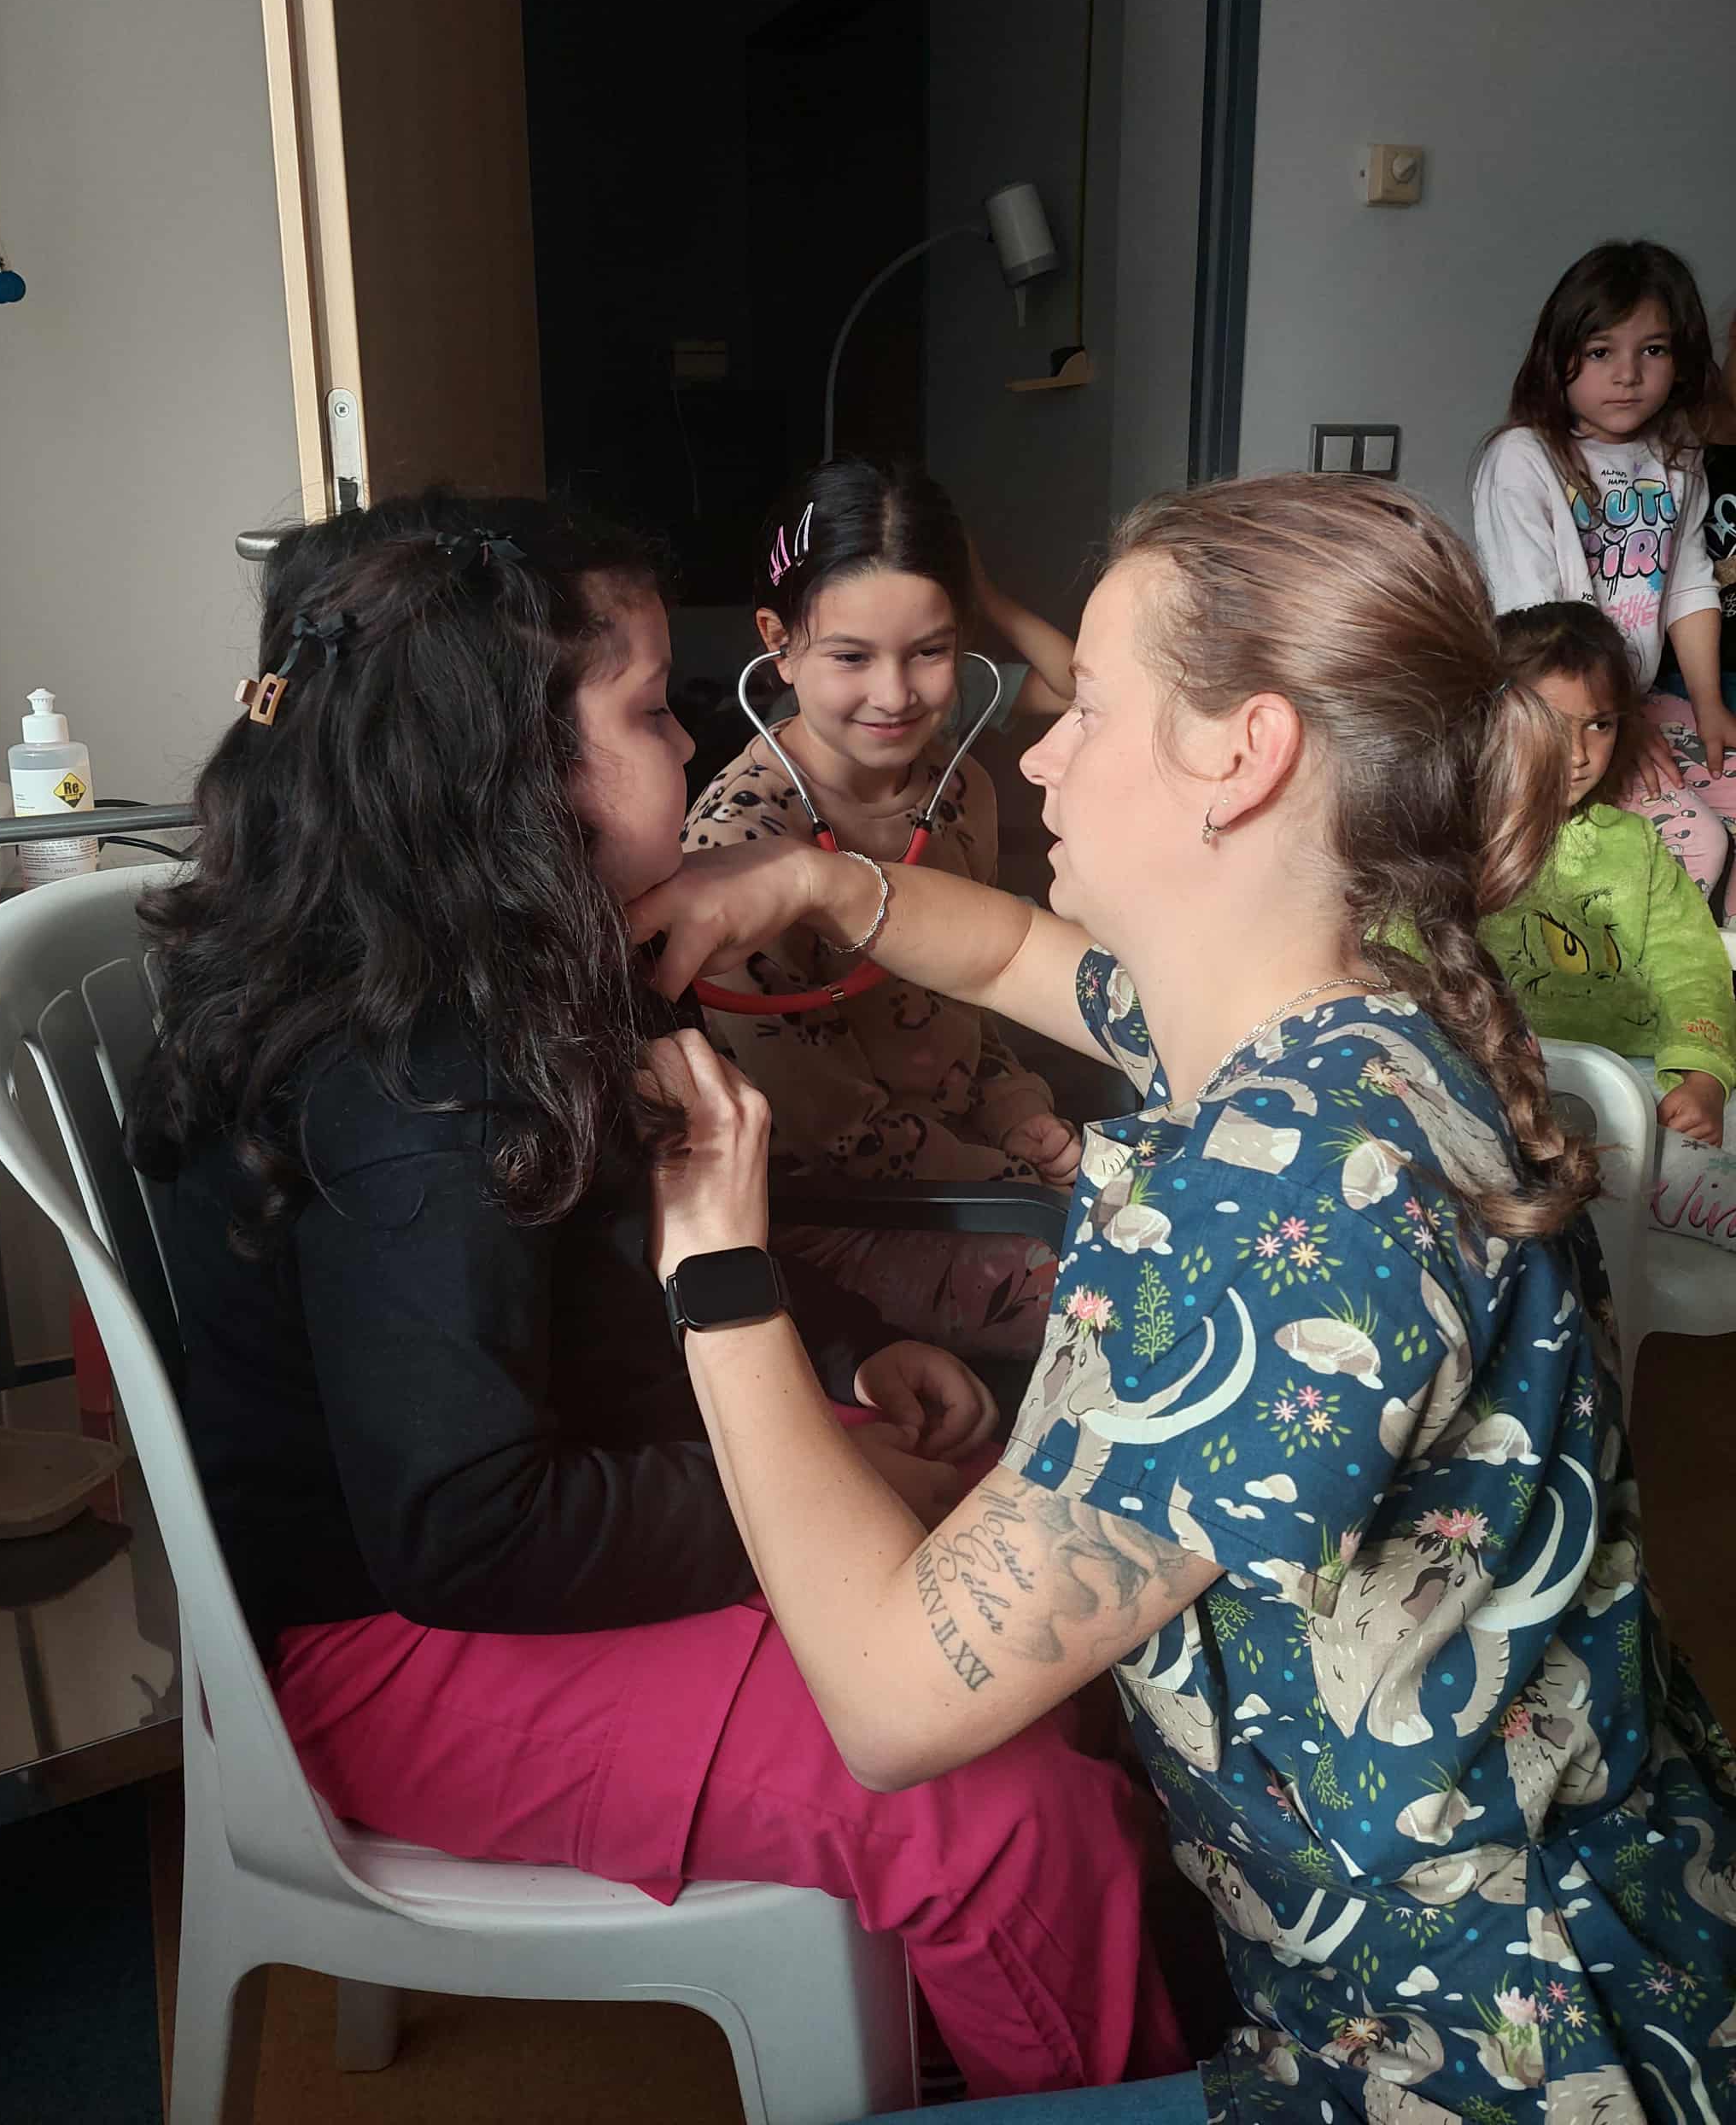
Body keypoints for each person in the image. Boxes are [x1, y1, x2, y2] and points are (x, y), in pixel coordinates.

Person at [634, 473, 1736, 2125]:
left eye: (1091, 706)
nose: (1041, 755)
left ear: (1245, 754)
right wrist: (806, 882)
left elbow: (884, 1696)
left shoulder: (1283, 1204)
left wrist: (717, 1276)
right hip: (1612, 1940)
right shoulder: (1361, 1017)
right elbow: (1015, 958)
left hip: (1485, 2058)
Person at [129, 492, 1183, 2103]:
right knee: (998, 1811)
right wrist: (838, 1501)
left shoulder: (512, 972)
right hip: (398, 1648)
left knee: (1026, 1576)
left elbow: (636, 1252)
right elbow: (470, 1530)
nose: (690, 745)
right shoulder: (417, 1081)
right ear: (509, 773)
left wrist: (854, 1348)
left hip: (538, 1518)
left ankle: (1013, 2018)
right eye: (645, 714)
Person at [683, 458, 1083, 1360]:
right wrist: (1035, 1187)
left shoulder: (959, 788)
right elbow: (838, 1141)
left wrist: (1015, 1108)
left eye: (930, 651)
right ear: (779, 645)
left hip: (977, 1172)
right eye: (851, 657)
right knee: (1134, 1305)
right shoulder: (734, 850)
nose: (896, 695)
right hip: (842, 1217)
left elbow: (971, 1008)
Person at [1472, 237, 1736, 917]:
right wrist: (1611, 723)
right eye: (1599, 352)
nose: (1627, 375)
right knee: (1699, 844)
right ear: (1558, 356)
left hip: (1634, 704)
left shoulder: (1677, 455)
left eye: (1653, 350)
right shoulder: (1524, 458)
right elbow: (1541, 628)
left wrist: (1709, 703)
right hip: (1560, 717)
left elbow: (1689, 583)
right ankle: (1636, 971)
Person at [1481, 598, 1736, 1241]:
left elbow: (1690, 964)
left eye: (1599, 724)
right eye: (1549, 723)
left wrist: (1702, 1077)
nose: (1578, 754)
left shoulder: (1634, 846)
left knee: (1676, 1165)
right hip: (1493, 1099)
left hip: (1636, 1084)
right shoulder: (1449, 848)